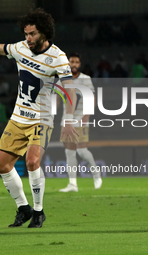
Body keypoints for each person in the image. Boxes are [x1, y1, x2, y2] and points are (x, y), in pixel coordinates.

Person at [0, 8, 78, 228]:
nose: (27, 38)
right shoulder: (20, 48)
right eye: (26, 33)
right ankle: (24, 208)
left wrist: (69, 120)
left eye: (32, 34)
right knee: (2, 165)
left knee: (32, 161)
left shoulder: (58, 57)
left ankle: (38, 212)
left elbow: (71, 90)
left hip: (41, 118)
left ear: (44, 33)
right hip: (18, 116)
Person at [59, 52, 102, 192]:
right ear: (68, 63)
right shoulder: (62, 79)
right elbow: (58, 99)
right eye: (72, 62)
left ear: (80, 64)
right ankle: (73, 184)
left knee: (82, 151)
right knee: (69, 152)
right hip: (67, 121)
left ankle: (96, 174)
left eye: (77, 62)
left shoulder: (85, 79)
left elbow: (92, 100)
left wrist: (86, 117)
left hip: (80, 120)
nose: (74, 65)